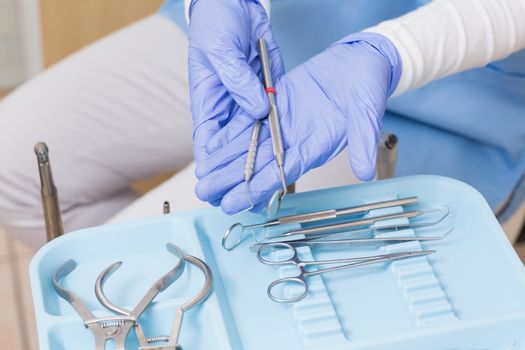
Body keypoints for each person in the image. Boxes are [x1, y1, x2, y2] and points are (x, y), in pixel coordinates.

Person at [0, 0, 524, 248]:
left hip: (456, 85)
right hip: (273, 24)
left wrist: (394, 51)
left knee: (142, 262)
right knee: (11, 163)